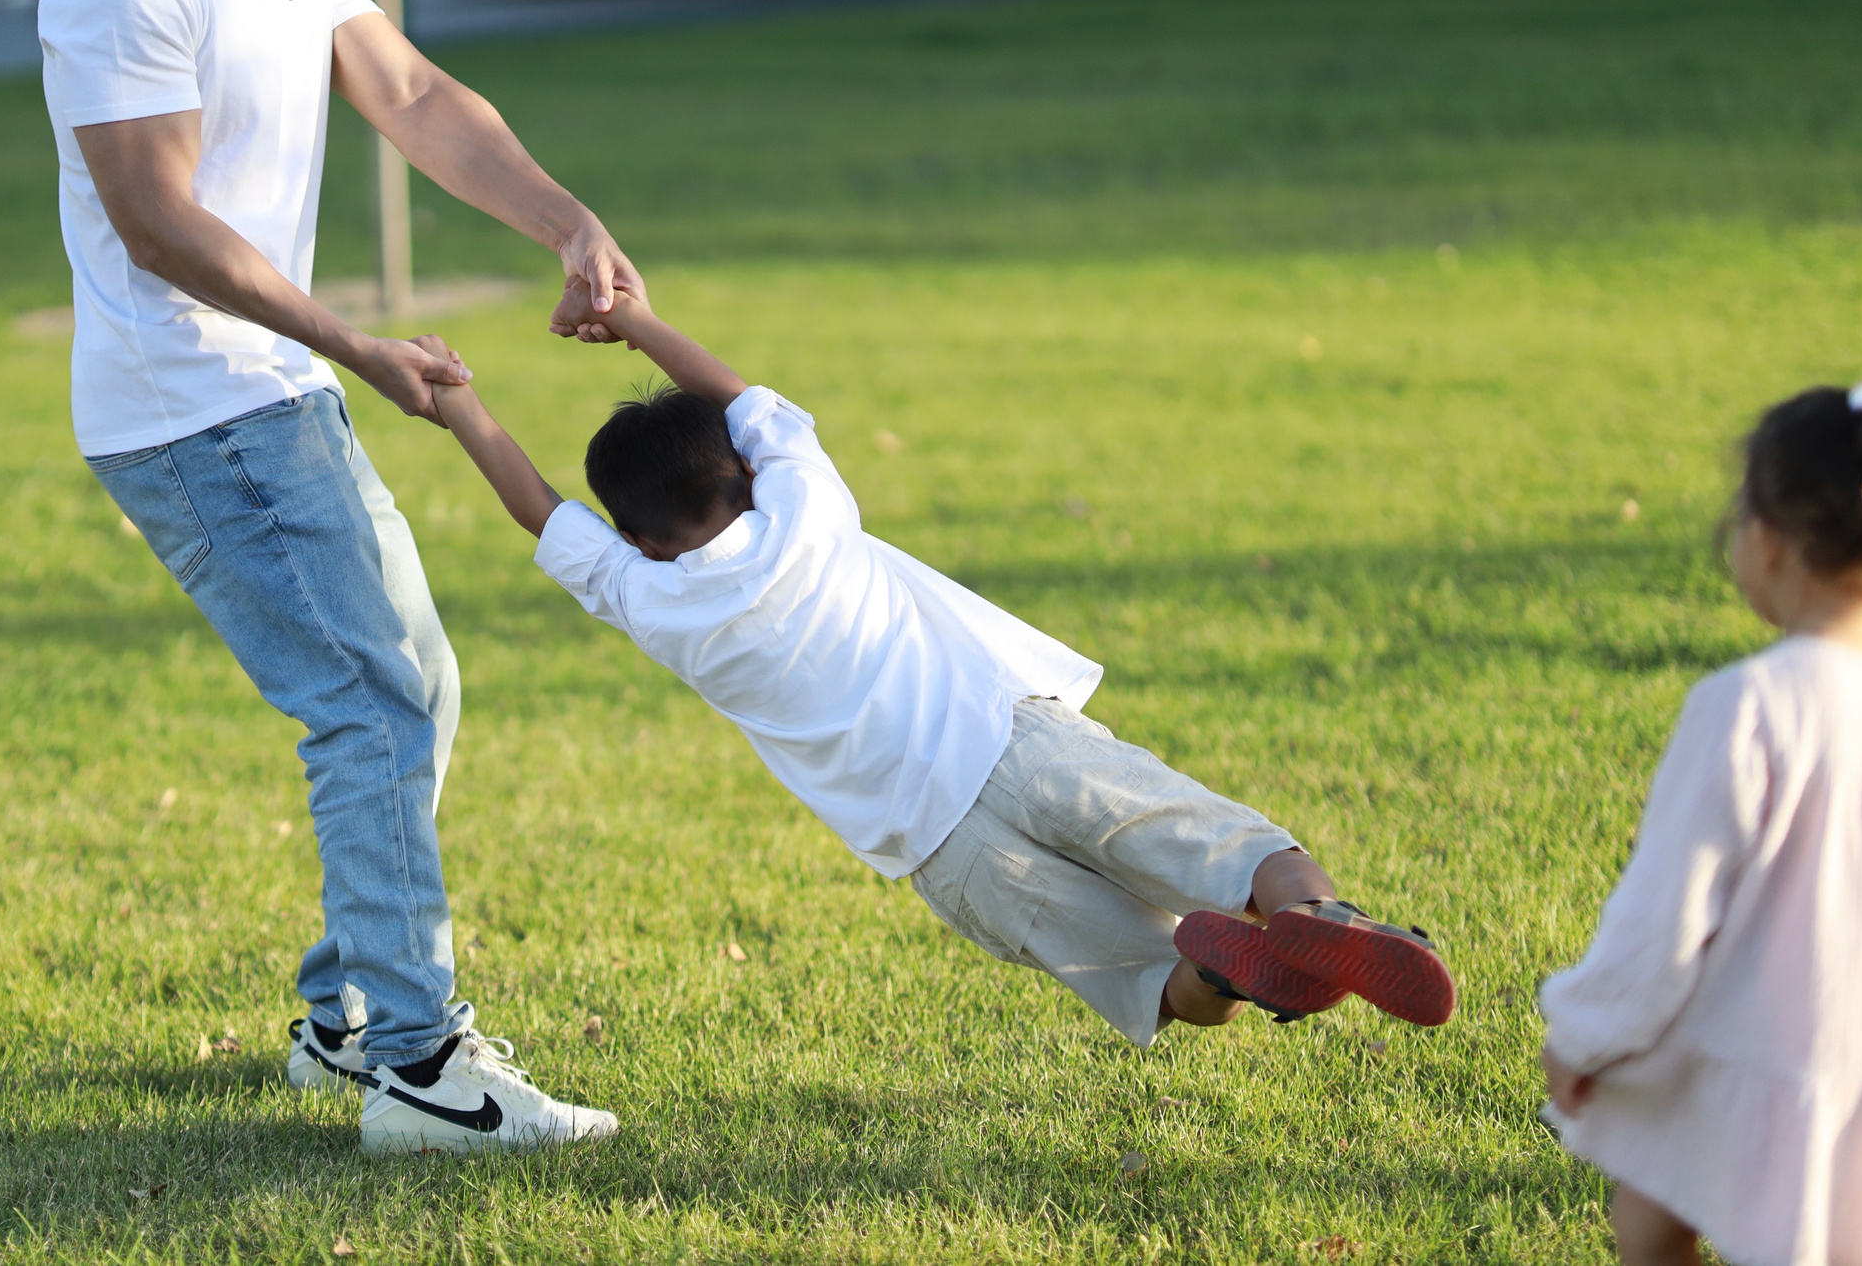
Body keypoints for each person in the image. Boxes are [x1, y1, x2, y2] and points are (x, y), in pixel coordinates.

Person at [33, 0, 642, 1157]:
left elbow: (415, 97)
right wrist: (354, 343)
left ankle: (351, 1014)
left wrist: (567, 221)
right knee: (373, 699)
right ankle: (420, 1065)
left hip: (268, 384)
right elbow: (158, 222)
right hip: (194, 402)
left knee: (410, 683)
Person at [403, 292, 1459, 1050]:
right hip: (1013, 739)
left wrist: (460, 403)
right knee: (1228, 844)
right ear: (746, 472)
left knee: (1145, 975)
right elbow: (741, 397)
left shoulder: (650, 599)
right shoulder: (806, 504)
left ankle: (1225, 973)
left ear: (638, 541)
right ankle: (1318, 916)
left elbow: (539, 510)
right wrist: (633, 318)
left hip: (942, 848)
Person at [1541, 384, 1862, 1266]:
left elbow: (1664, 916)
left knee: (1651, 1205)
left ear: (1767, 542)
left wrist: (1584, 1033)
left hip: (1767, 1061)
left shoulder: (1750, 708)